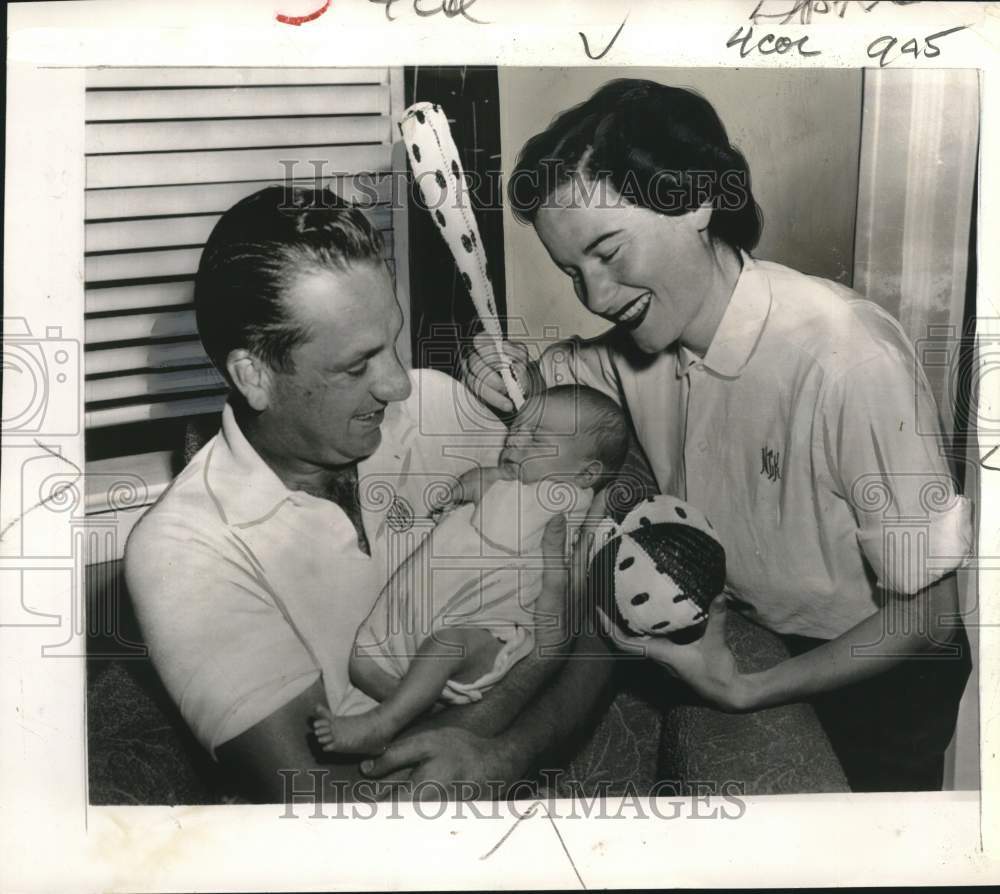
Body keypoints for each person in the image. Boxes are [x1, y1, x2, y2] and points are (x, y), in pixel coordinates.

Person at [463, 78, 974, 792]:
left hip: (877, 674)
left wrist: (749, 689)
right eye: (573, 272)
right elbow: (540, 384)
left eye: (610, 251)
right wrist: (491, 366)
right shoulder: (631, 345)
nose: (599, 294)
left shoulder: (849, 357)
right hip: (743, 631)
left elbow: (927, 616)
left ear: (695, 199)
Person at [124, 185, 617, 803]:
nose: (397, 385)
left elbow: (609, 593)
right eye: (357, 367)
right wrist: (539, 673)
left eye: (394, 342)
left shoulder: (436, 402)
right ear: (255, 375)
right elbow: (326, 801)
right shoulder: (185, 550)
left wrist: (511, 747)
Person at [312, 385, 628, 755]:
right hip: (438, 607)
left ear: (586, 474)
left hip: (489, 631)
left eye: (536, 441)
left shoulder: (562, 497)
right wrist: (467, 487)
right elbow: (486, 482)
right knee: (363, 660)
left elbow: (491, 489)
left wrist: (474, 485)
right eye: (517, 430)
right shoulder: (519, 483)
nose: (515, 442)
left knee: (446, 644)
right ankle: (415, 709)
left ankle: (386, 723)